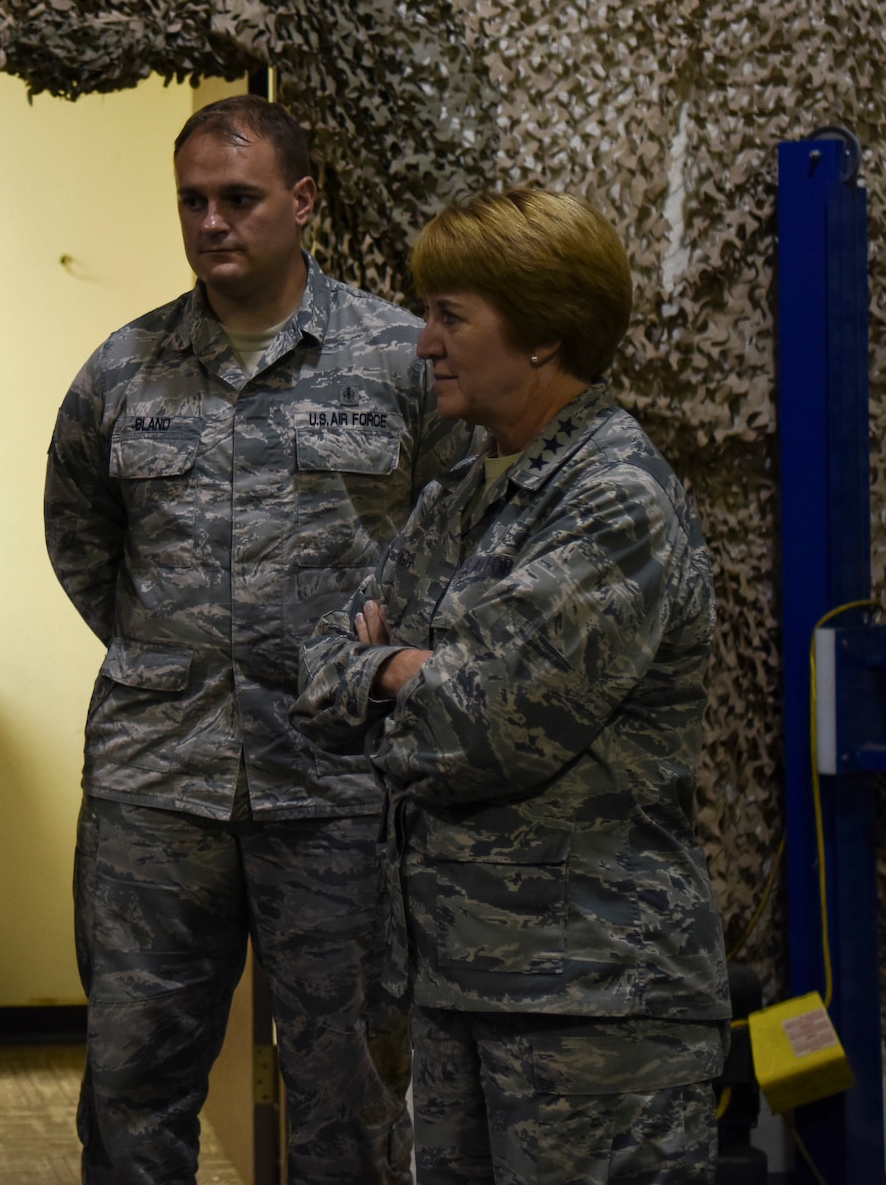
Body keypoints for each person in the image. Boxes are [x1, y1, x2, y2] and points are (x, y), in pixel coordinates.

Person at [44, 96, 470, 1184]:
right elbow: (83, 544)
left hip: (336, 787)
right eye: (191, 201)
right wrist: (176, 651)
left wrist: (381, 666)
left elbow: (456, 538)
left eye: (237, 199)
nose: (210, 223)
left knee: (347, 1096)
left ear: (302, 201)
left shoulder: (399, 357)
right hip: (155, 788)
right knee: (133, 1092)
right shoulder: (122, 369)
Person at [292, 189, 730, 1182]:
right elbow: (317, 673)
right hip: (460, 984)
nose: (422, 346)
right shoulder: (459, 496)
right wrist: (393, 673)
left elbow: (474, 730)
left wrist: (398, 671)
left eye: (450, 316)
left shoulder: (610, 500)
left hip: (593, 1005)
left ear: (538, 334)